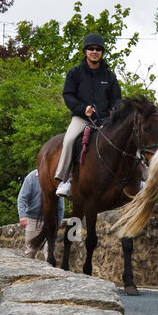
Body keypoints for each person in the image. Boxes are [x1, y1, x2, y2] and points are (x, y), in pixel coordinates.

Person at [54, 33, 122, 198]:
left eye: (98, 49)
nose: (94, 51)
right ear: (85, 51)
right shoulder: (74, 73)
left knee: (125, 137)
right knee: (69, 139)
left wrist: (114, 111)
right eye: (91, 48)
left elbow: (117, 99)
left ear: (102, 52)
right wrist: (82, 108)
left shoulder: (109, 76)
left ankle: (140, 178)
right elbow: (68, 95)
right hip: (82, 118)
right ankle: (65, 180)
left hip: (105, 120)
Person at [16, 168, 65, 258]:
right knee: (31, 250)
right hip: (32, 219)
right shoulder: (31, 178)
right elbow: (22, 198)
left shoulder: (56, 179)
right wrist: (22, 216)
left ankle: (50, 271)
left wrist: (59, 221)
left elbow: (60, 204)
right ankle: (28, 271)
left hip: (51, 220)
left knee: (50, 251)